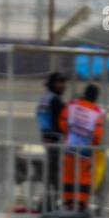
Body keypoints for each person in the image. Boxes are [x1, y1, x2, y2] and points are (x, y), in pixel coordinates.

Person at [60, 84, 106, 212]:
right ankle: (80, 203)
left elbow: (63, 123)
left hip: (70, 147)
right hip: (85, 151)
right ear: (96, 97)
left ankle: (68, 202)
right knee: (84, 178)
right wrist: (93, 146)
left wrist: (70, 134)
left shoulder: (72, 105)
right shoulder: (97, 112)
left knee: (68, 175)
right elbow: (98, 135)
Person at [36, 71, 68, 209]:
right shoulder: (56, 100)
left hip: (47, 139)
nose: (62, 86)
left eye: (63, 82)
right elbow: (63, 122)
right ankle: (48, 205)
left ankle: (46, 204)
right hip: (56, 141)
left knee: (52, 174)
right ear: (53, 84)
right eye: (59, 82)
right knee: (56, 176)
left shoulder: (44, 98)